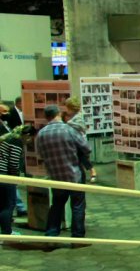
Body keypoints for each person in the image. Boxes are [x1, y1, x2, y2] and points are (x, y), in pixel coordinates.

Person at [35, 105, 91, 239]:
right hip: (74, 174)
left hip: (56, 176)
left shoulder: (41, 134)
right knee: (77, 205)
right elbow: (86, 148)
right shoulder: (69, 130)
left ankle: (51, 234)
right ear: (58, 114)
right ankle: (77, 237)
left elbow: (40, 155)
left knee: (57, 205)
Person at [0, 125, 36, 236]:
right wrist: (15, 178)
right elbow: (13, 163)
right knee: (8, 205)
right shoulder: (16, 142)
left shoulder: (8, 138)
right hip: (5, 175)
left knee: (2, 205)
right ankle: (7, 233)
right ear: (28, 135)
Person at [63, 97, 97, 183]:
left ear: (71, 108)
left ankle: (91, 173)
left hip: (79, 142)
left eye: (67, 107)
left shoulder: (78, 117)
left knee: (82, 158)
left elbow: (81, 127)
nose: (65, 109)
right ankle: (91, 172)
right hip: (75, 142)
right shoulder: (71, 116)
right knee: (81, 160)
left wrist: (67, 124)